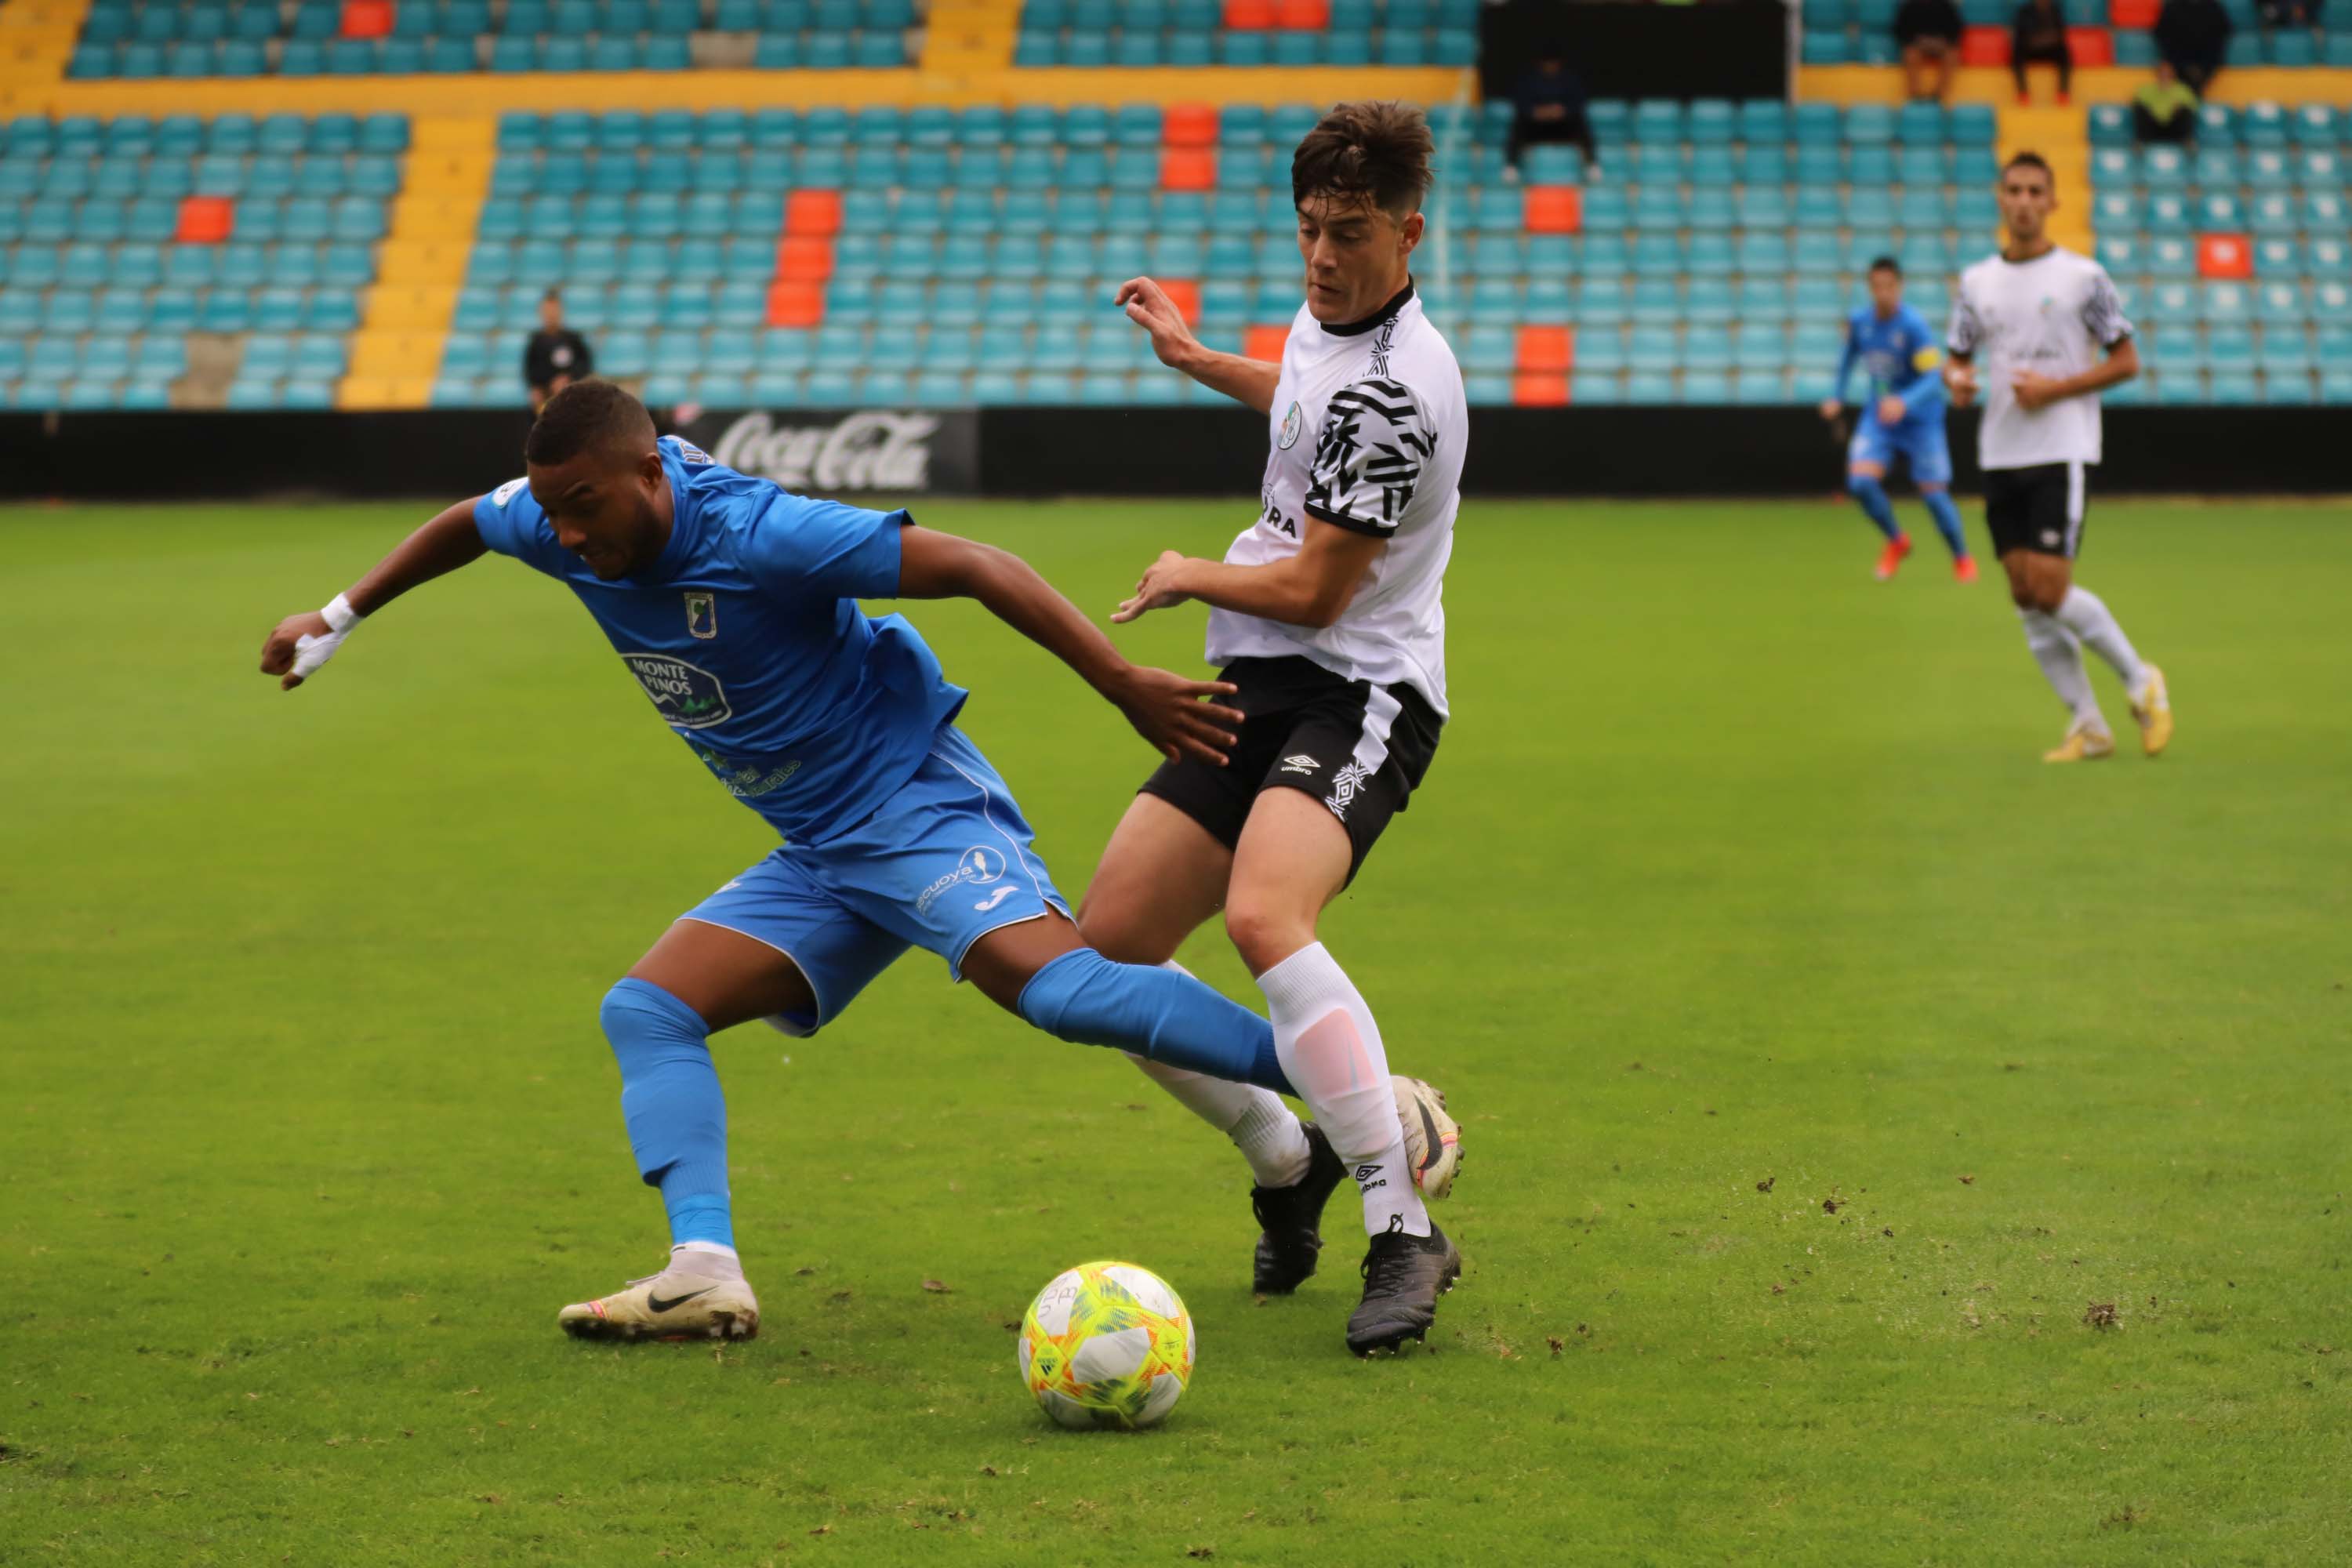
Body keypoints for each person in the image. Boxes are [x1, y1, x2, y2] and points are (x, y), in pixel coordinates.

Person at [254, 380, 1459, 1348]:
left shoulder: (761, 535)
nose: (564, 535)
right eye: (553, 512)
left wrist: (1120, 683)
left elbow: (978, 565)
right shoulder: (560, 519)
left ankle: (1369, 1100)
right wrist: (338, 617)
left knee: (1063, 991)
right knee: (648, 1009)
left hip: (911, 804)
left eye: (582, 508)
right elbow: (471, 521)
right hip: (822, 847)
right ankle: (704, 1268)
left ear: (650, 471)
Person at [1099, 101, 1471, 1357]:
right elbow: (1304, 403)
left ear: (1408, 234)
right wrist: (1199, 359)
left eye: (1350, 233)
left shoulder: (1401, 389)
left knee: (1266, 917)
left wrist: (1190, 574)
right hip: (1264, 682)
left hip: (1359, 691)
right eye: (1310, 227)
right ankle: (1285, 1151)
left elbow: (1316, 590)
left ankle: (1401, 1224)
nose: (1321, 254)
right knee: (1112, 950)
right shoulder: (1336, 326)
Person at [1945, 153, 2174, 763]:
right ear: (2000, 198)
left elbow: (2126, 361)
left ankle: (2140, 680)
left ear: (2052, 202)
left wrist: (2055, 390)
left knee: (2050, 588)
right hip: (1999, 451)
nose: (2024, 201)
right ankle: (2088, 725)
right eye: (2014, 190)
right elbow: (1958, 356)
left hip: (2061, 448)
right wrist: (1957, 381)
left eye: (2034, 191)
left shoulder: (2084, 277)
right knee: (2025, 593)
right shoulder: (1976, 282)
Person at [1820, 257, 1975, 583]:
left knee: (1934, 494)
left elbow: (1934, 377)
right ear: (1870, 288)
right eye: (1877, 287)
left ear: (1899, 287)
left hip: (1921, 419)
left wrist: (1905, 402)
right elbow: (1847, 360)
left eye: (1889, 286)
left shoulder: (1914, 327)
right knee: (1860, 483)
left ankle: (1962, 557)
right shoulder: (1860, 322)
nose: (1883, 293)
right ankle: (1897, 540)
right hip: (1880, 416)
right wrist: (1837, 395)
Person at [1504, 49, 1595, 177]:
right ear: (1541, 64)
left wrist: (1563, 110)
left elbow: (1579, 100)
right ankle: (1511, 166)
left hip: (1562, 125)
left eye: (1553, 64)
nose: (1550, 67)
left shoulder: (1569, 78)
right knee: (1519, 123)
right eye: (1547, 64)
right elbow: (1520, 101)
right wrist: (1536, 111)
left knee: (1580, 121)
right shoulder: (1529, 79)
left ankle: (1592, 165)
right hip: (1536, 126)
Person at [524, 289, 593, 412]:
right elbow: (530, 371)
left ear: (561, 311)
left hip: (572, 392)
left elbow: (585, 365)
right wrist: (538, 387)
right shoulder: (536, 341)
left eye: (554, 310)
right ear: (541, 312)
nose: (551, 314)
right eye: (547, 310)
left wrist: (568, 378)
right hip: (545, 393)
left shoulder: (573, 339)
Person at [2154, 0, 2232, 94]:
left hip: (2208, 63)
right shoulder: (2171, 8)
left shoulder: (2214, 8)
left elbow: (2221, 36)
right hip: (2177, 62)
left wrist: (2203, 65)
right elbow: (2163, 36)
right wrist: (2181, 64)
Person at [1895, 0, 1965, 103]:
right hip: (1917, 45)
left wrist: (1943, 41)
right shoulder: (1910, 6)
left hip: (1941, 45)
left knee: (1952, 55)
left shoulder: (1946, 6)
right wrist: (1915, 40)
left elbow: (1956, 29)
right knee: (1910, 54)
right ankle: (1915, 94)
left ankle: (1940, 94)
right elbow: (1901, 29)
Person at [2011, 0, 2074, 103]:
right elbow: (2021, 36)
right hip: (2029, 50)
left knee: (2064, 52)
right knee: (2017, 53)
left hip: (2050, 49)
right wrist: (2042, 38)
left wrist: (2045, 39)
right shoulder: (2024, 11)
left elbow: (2060, 34)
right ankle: (2023, 93)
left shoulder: (2055, 10)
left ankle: (2063, 93)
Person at [2132, 61, 2201, 144]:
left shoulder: (2182, 89)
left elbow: (2194, 107)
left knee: (2185, 110)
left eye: (2168, 73)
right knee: (2140, 108)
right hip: (2152, 128)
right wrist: (2149, 109)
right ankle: (2141, 141)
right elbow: (2136, 104)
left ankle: (2187, 140)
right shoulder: (2146, 89)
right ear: (2157, 74)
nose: (2164, 75)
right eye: (2162, 72)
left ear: (2173, 74)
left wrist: (2179, 108)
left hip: (2175, 129)